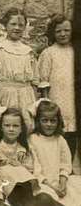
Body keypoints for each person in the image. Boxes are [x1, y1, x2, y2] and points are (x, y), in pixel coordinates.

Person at [0, 108, 58, 206]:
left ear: (21, 129)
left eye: (15, 126)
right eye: (7, 125)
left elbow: (32, 169)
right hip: (3, 187)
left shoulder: (24, 146)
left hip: (25, 187)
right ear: (1, 127)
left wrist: (20, 165)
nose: (11, 129)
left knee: (45, 197)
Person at [0, 8, 38, 132]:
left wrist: (33, 103)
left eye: (21, 25)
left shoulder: (28, 51)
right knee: (6, 127)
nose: (17, 28)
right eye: (13, 24)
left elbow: (35, 81)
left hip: (26, 95)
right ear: (5, 26)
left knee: (26, 128)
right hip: (6, 93)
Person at [29, 100, 81, 206]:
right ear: (38, 121)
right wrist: (52, 187)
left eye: (53, 121)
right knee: (45, 198)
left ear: (58, 121)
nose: (49, 124)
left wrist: (62, 183)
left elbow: (65, 164)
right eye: (45, 120)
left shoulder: (60, 139)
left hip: (59, 182)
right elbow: (36, 169)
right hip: (42, 183)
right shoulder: (33, 140)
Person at [38, 14, 76, 158]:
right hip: (56, 99)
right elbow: (43, 80)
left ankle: (69, 164)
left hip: (72, 98)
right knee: (56, 130)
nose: (63, 34)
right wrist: (47, 103)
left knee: (72, 131)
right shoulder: (49, 53)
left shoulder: (75, 51)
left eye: (66, 30)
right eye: (58, 31)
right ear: (52, 33)